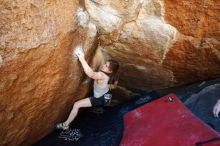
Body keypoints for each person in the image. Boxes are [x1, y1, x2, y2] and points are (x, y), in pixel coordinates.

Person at [55, 47, 119, 130]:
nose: (103, 65)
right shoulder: (110, 76)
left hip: (99, 99)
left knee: (77, 105)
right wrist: (114, 85)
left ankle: (65, 125)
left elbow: (91, 74)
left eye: (106, 66)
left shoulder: (101, 75)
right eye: (105, 63)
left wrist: (81, 58)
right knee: (108, 89)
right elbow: (112, 86)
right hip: (107, 96)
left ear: (110, 71)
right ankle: (100, 107)